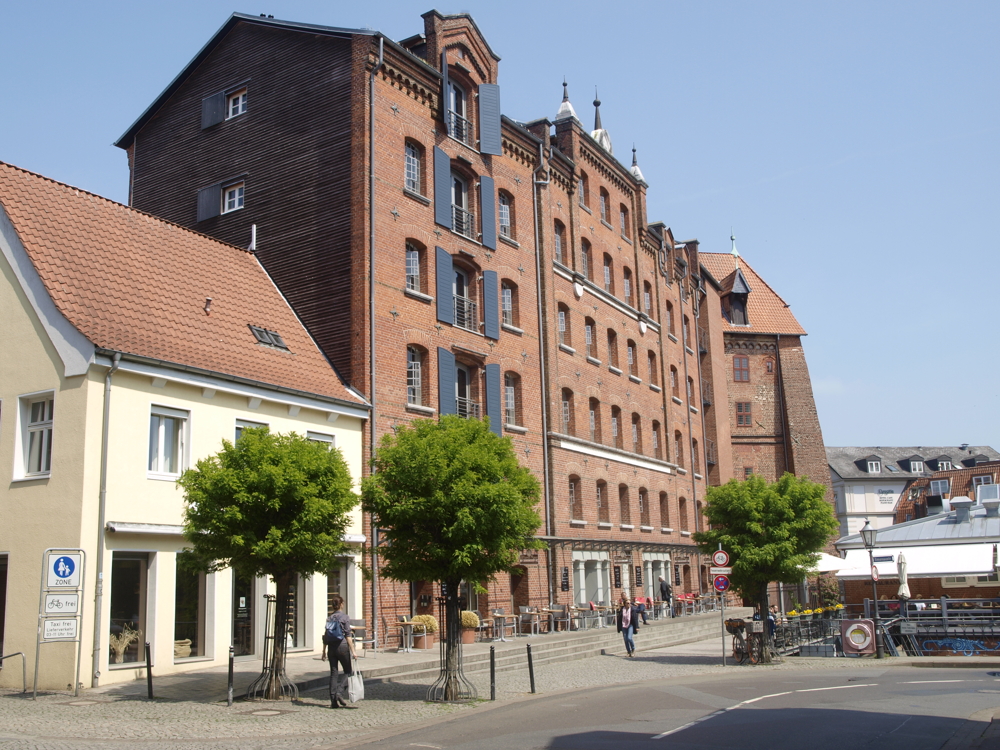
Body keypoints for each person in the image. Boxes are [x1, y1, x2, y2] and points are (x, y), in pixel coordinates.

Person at [323, 594, 357, 708]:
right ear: (341, 604)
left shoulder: (329, 618)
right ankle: (339, 691)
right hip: (342, 647)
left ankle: (333, 701)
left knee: (334, 673)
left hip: (331, 648)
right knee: (348, 671)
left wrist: (323, 651)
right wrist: (353, 651)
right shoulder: (345, 617)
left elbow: (326, 636)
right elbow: (348, 635)